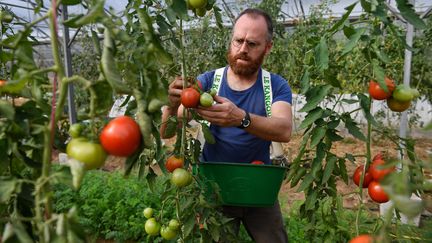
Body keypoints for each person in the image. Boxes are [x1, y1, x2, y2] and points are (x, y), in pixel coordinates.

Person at [161, 8, 292, 243]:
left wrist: (241, 118)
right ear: (231, 41)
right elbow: (168, 130)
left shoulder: (275, 85)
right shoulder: (208, 82)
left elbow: (284, 130)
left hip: (258, 188)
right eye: (238, 41)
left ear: (268, 48)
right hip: (214, 189)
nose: (243, 49)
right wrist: (170, 106)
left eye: (252, 44)